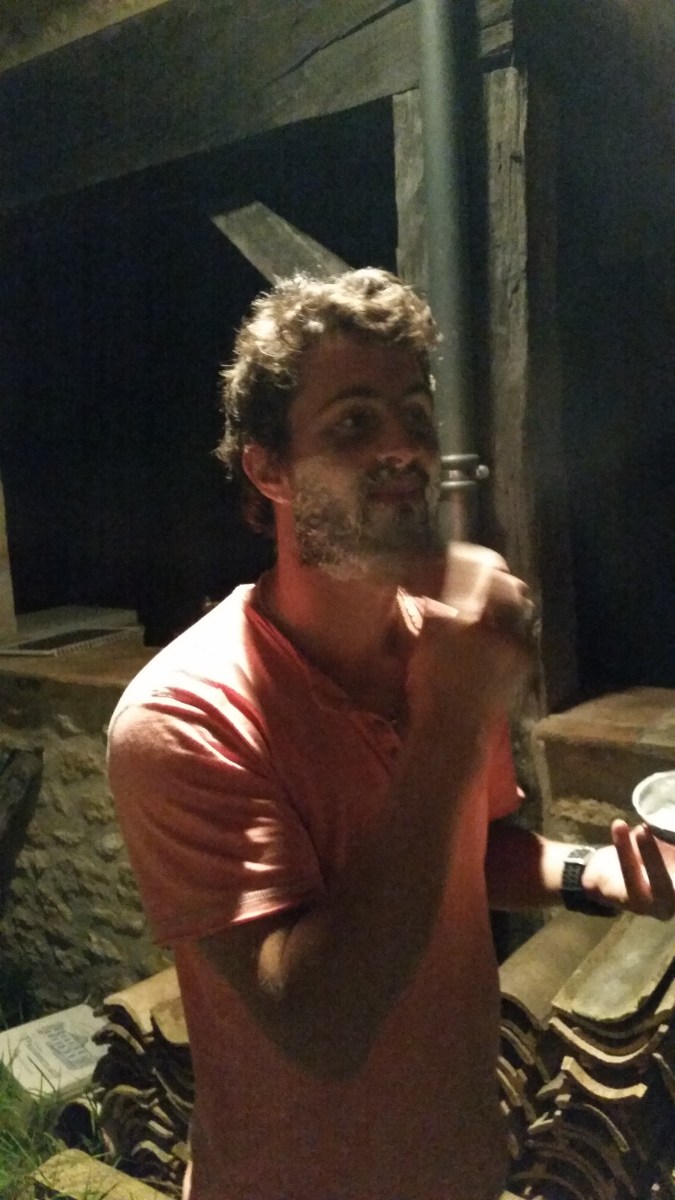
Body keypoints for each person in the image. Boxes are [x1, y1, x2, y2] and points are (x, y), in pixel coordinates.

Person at [107, 268, 675, 1200]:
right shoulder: (184, 716)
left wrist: (590, 872)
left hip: (461, 1164)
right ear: (268, 470)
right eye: (353, 422)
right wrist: (448, 718)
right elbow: (318, 1024)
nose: (404, 446)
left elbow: (466, 852)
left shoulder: (440, 641)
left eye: (414, 414)